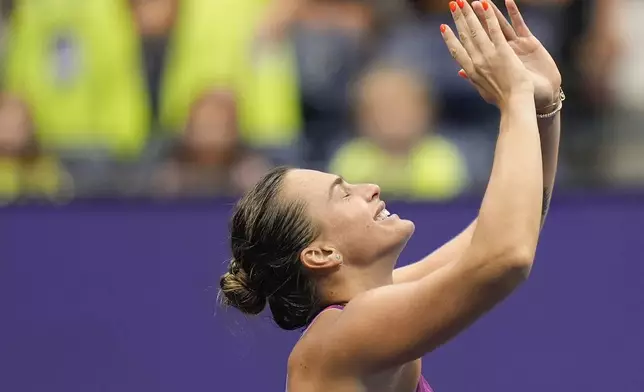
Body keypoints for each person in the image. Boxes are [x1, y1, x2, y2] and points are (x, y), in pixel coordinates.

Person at [219, 1, 563, 390]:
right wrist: (513, 96)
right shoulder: (344, 333)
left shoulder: (370, 306)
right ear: (321, 254)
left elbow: (516, 227)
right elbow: (505, 257)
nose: (371, 188)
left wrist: (543, 104)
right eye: (343, 195)